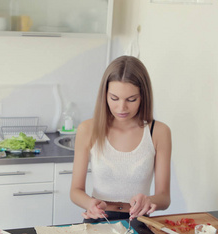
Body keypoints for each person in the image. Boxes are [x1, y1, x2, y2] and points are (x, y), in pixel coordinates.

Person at [70, 55, 171, 222]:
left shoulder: (159, 132)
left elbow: (164, 198)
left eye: (131, 99)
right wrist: (90, 204)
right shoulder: (88, 129)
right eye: (114, 98)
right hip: (99, 218)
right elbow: (75, 190)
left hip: (138, 221)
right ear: (105, 95)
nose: (121, 108)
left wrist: (149, 201)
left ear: (143, 96)